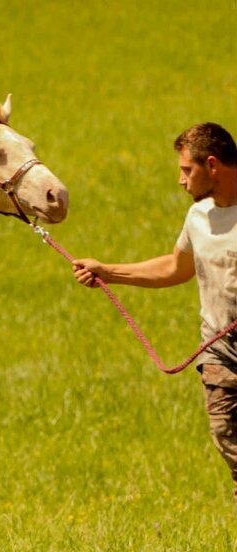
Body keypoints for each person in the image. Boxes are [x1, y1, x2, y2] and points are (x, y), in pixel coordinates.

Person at [73, 123, 237, 503]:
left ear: (211, 165)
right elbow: (175, 268)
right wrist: (108, 271)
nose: (181, 180)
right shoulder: (199, 217)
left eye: (186, 170)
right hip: (220, 358)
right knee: (230, 448)